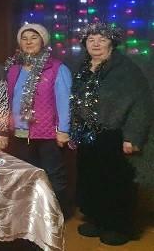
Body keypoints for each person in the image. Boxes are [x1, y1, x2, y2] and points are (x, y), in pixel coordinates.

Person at [70, 22, 154, 246]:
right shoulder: (83, 68)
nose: (96, 44)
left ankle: (119, 226)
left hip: (115, 135)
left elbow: (142, 104)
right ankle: (97, 219)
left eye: (102, 39)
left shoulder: (126, 69)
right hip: (88, 134)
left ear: (112, 43)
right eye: (91, 40)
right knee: (91, 179)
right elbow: (75, 101)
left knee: (115, 182)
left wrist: (133, 136)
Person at [5, 23, 71, 213]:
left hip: (48, 133)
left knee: (52, 174)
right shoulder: (14, 69)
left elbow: (64, 101)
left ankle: (58, 213)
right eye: (24, 38)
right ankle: (32, 214)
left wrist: (63, 130)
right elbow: (9, 98)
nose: (29, 42)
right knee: (26, 174)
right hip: (20, 132)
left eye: (34, 38)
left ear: (43, 41)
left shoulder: (56, 68)